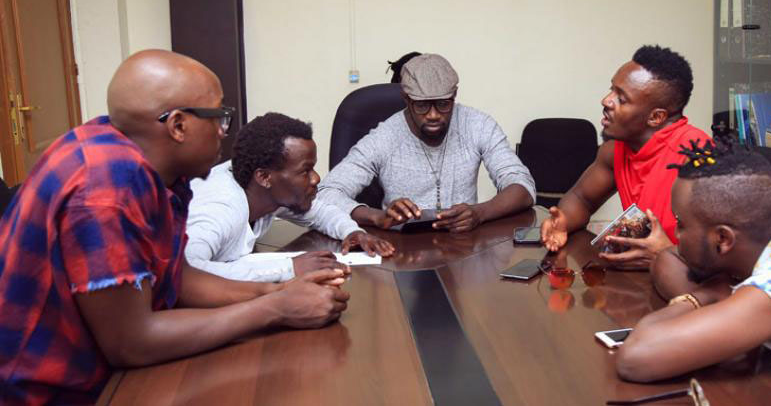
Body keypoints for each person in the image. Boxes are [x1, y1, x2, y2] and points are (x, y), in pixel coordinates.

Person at [0, 50, 350, 404]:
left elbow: (178, 277)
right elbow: (131, 343)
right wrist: (276, 310)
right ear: (178, 126)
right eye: (219, 117)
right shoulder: (107, 186)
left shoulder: (152, 167)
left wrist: (277, 292)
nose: (223, 133)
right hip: (50, 394)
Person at [616, 140, 771, 404]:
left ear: (723, 239)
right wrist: (718, 297)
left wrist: (706, 297)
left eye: (681, 224)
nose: (675, 234)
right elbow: (665, 260)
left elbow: (635, 357)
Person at [319, 53, 535, 233]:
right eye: (422, 106)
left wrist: (480, 212)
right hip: (401, 251)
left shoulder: (478, 125)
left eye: (442, 104)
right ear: (406, 99)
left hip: (464, 248)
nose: (433, 115)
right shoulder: (384, 137)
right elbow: (326, 193)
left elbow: (523, 186)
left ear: (454, 96)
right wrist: (377, 216)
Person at [541, 45, 709, 269]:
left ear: (656, 117)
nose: (606, 101)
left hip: (692, 291)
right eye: (612, 90)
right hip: (643, 281)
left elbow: (723, 257)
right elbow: (582, 198)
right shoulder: (615, 150)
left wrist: (666, 254)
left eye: (622, 99)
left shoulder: (699, 158)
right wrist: (563, 221)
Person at [185, 112, 394, 282]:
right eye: (306, 171)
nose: (316, 178)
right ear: (264, 177)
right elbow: (187, 274)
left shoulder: (265, 189)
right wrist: (289, 268)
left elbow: (320, 211)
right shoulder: (219, 208)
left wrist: (352, 232)